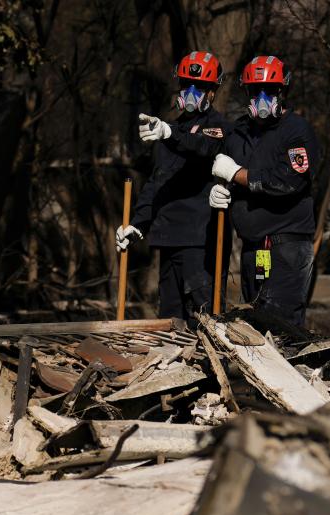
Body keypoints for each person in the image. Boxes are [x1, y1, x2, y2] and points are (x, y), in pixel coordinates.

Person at [114, 51, 229, 322]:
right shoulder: (170, 131)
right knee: (169, 320)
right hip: (168, 239)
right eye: (186, 85)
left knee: (206, 320)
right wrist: (138, 224)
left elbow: (201, 146)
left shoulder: (218, 128)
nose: (191, 92)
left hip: (200, 243)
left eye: (199, 87)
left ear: (212, 92)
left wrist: (168, 133)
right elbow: (157, 182)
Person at [210, 54, 322, 328]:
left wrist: (238, 174)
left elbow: (290, 181)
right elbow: (214, 157)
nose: (262, 98)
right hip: (253, 247)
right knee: (255, 325)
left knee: (281, 325)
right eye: (255, 90)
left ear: (282, 92)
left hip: (287, 247)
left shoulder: (296, 131)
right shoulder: (239, 132)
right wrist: (220, 189)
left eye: (269, 90)